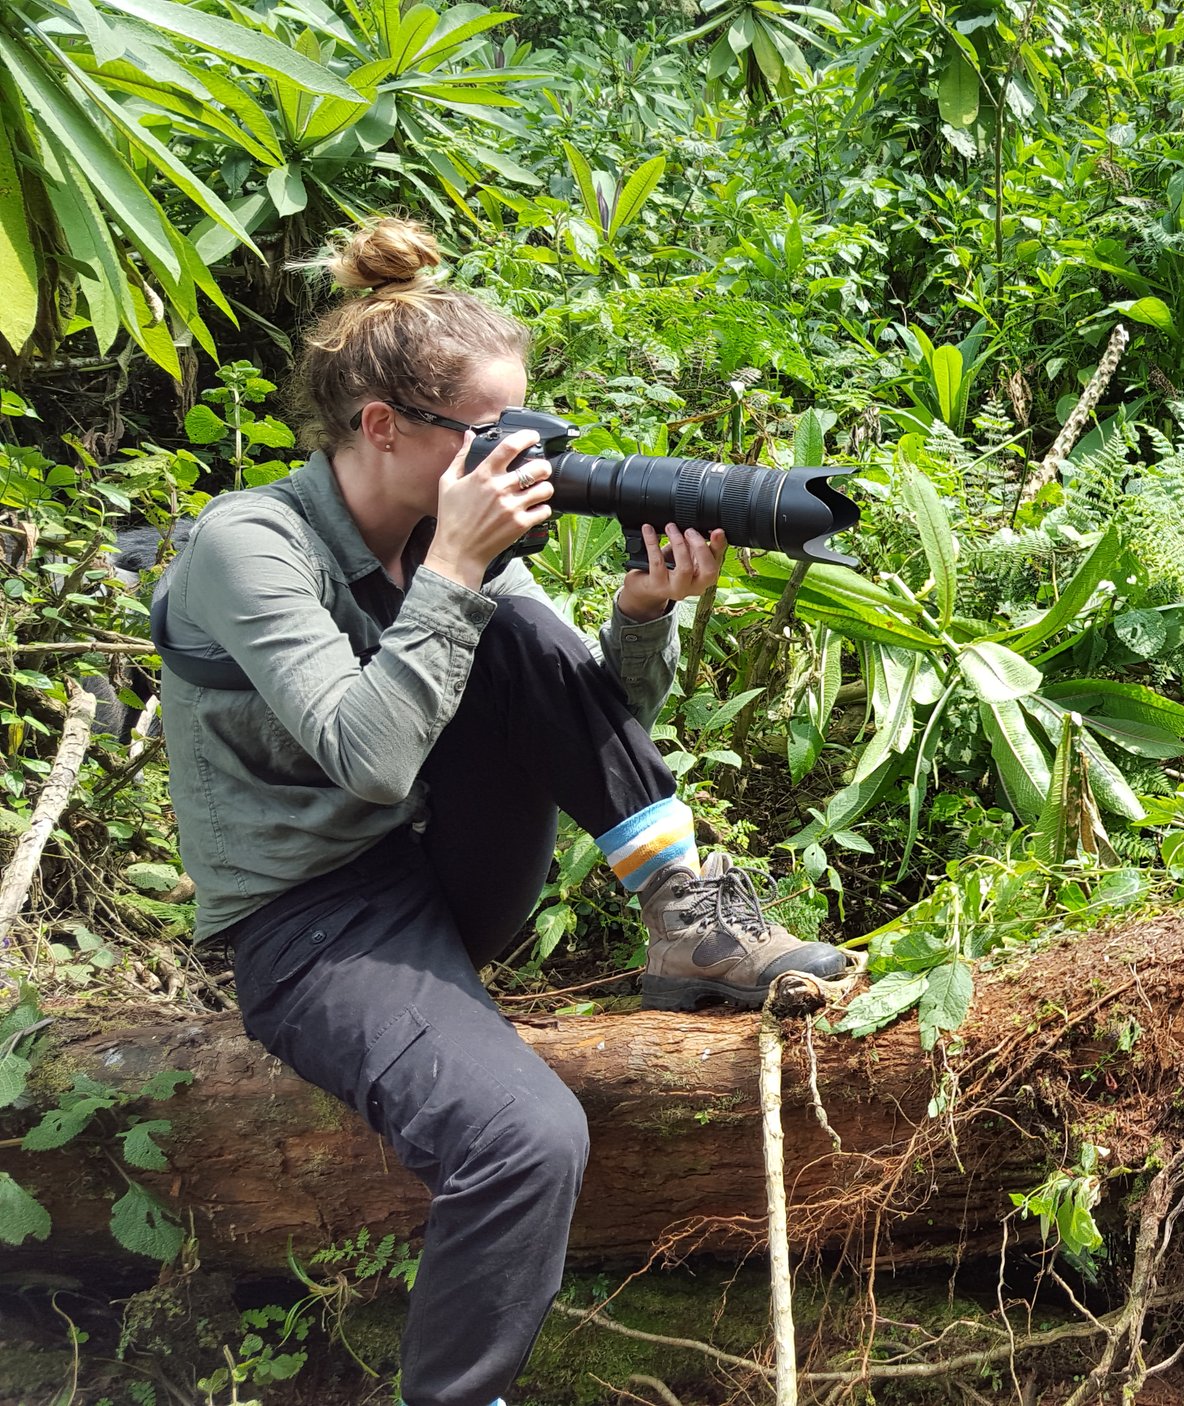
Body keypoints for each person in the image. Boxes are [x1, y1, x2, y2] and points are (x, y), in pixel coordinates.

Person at [150, 217, 853, 1406]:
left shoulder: (448, 534)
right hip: (312, 922)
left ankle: (689, 920)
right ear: (382, 426)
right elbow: (367, 759)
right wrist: (457, 574)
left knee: (528, 632)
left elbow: (583, 719)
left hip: (450, 867)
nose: (518, 459)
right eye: (490, 434)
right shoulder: (247, 544)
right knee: (526, 1138)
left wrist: (640, 614)